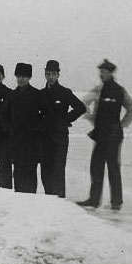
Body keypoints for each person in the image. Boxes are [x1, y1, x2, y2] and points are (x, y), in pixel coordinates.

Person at [77, 59, 132, 211]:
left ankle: (116, 202)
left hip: (113, 136)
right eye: (101, 72)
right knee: (96, 167)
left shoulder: (120, 90)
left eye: (104, 72)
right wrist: (92, 119)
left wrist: (121, 125)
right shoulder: (98, 89)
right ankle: (94, 199)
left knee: (113, 168)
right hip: (100, 135)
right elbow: (83, 103)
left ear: (111, 73)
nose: (101, 74)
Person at [39, 60, 87, 198]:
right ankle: (49, 200)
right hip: (44, 138)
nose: (51, 77)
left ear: (58, 75)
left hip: (59, 138)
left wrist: (65, 120)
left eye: (54, 74)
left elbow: (80, 107)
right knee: (45, 171)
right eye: (48, 74)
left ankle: (60, 202)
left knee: (58, 171)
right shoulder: (41, 93)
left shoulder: (64, 92)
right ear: (45, 74)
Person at [0, 62, 45, 193]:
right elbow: (3, 115)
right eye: (18, 76)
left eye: (24, 76)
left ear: (29, 77)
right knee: (18, 173)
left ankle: (31, 203)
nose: (21, 79)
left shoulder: (37, 95)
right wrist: (9, 130)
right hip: (16, 142)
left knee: (30, 173)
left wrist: (38, 129)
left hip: (32, 142)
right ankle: (19, 202)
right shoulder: (11, 96)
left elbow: (47, 114)